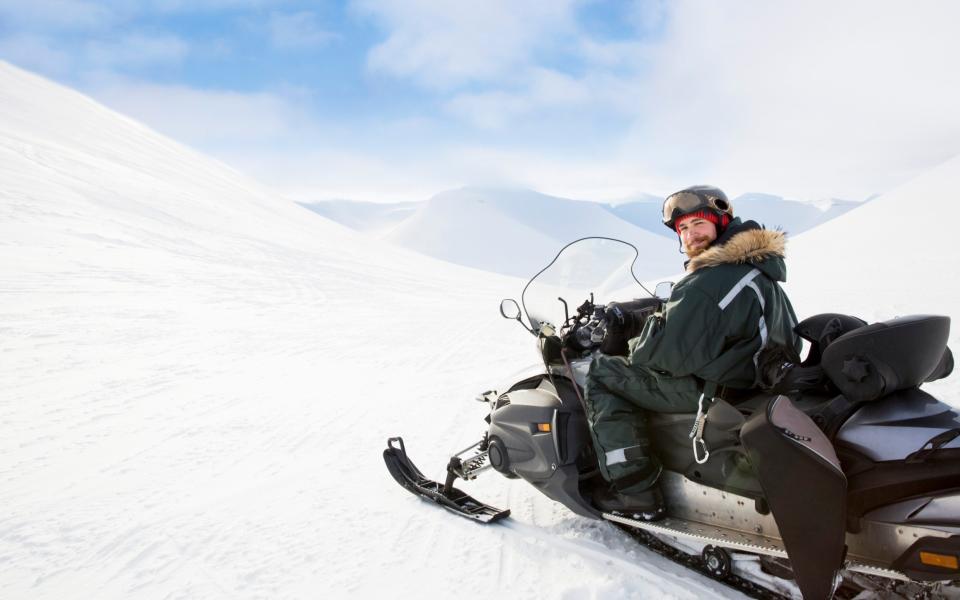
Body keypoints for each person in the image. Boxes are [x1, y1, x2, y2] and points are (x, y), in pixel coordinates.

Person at [584, 185, 802, 519]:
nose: (689, 235)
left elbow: (657, 357)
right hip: (752, 382)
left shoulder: (713, 280)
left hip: (712, 391)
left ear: (721, 222)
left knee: (603, 373)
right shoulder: (758, 270)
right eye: (682, 228)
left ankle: (635, 490)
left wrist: (631, 339)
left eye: (698, 224)